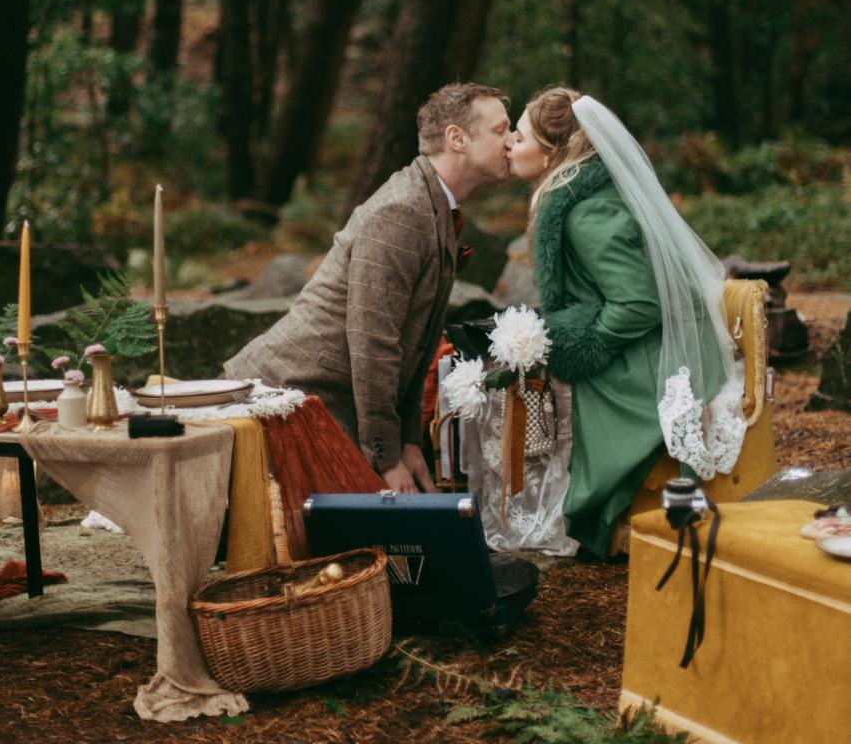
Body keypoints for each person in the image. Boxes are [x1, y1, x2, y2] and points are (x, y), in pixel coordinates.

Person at [226, 83, 513, 493]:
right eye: (500, 129)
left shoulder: (434, 205)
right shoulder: (402, 211)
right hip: (289, 400)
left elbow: (414, 344)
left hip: (329, 402)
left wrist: (409, 440)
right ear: (457, 138)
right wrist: (386, 457)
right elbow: (372, 342)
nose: (512, 140)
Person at [506, 86, 746, 558]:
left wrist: (585, 345)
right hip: (644, 339)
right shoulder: (582, 195)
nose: (510, 146)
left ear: (553, 151)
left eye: (519, 136)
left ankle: (593, 512)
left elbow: (637, 304)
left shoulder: (586, 213)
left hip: (649, 356)